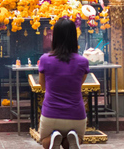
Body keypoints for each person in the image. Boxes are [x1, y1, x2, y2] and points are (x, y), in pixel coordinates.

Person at [38, 18, 89, 149]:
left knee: (44, 139)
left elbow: (43, 86)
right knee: (73, 140)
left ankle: (53, 137)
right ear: (74, 37)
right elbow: (79, 84)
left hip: (51, 113)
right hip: (76, 114)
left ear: (54, 37)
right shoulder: (83, 61)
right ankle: (72, 138)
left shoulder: (45, 59)